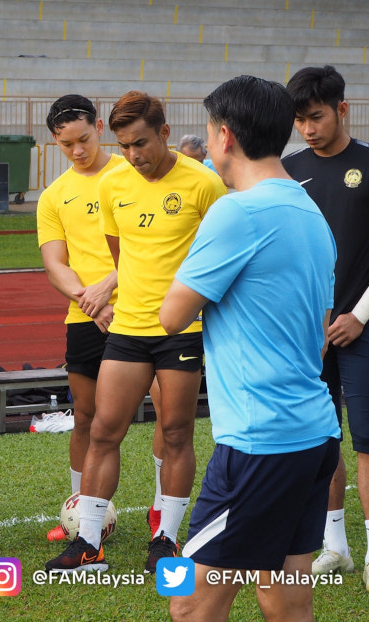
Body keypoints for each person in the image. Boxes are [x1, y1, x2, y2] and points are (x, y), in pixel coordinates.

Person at [159, 75, 340, 622]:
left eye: (210, 131)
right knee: (285, 598)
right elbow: (321, 327)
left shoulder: (237, 212)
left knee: (189, 602)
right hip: (314, 434)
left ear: (225, 136)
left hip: (259, 444)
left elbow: (173, 316)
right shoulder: (312, 214)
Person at [46, 91, 226, 574]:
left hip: (183, 329)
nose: (134, 155)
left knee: (175, 432)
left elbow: (221, 257)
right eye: (125, 146)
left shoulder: (205, 184)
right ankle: (88, 545)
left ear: (165, 133)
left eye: (142, 143)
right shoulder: (112, 184)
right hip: (128, 329)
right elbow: (123, 258)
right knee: (104, 431)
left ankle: (165, 538)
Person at [284, 65, 369, 593]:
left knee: (368, 437)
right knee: (322, 438)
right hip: (310, 331)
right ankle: (334, 547)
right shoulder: (288, 170)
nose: (308, 129)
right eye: (299, 121)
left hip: (366, 326)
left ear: (342, 109)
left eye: (316, 117)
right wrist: (307, 316)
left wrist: (357, 316)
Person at [36, 95, 124, 541]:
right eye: (66, 144)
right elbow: (55, 263)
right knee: (86, 418)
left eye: (84, 140)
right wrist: (90, 299)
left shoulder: (128, 176)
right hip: (84, 316)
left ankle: (160, 518)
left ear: (100, 129)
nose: (77, 151)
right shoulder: (54, 196)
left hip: (138, 313)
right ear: (55, 141)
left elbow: (147, 251)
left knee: (168, 417)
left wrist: (108, 289)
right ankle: (77, 511)